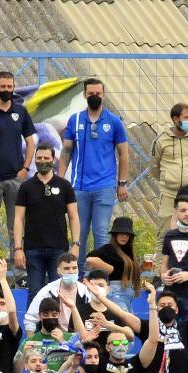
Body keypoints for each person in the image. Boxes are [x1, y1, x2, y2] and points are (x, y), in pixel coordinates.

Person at [58, 78, 129, 253]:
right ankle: (78, 275)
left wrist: (122, 183)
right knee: (79, 235)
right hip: (79, 187)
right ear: (84, 95)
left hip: (104, 187)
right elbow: (66, 151)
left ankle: (99, 276)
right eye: (91, 93)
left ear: (103, 95)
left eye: (98, 93)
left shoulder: (114, 122)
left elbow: (124, 154)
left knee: (101, 232)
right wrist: (59, 180)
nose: (94, 96)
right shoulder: (74, 120)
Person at [0, 71, 39, 251]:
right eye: (3, 87)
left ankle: (19, 274)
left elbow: (31, 142)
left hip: (15, 178)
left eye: (9, 87)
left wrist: (25, 168)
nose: (6, 90)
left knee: (17, 227)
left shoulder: (20, 111)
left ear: (13, 87)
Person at [12, 144, 79, 295]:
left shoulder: (65, 186)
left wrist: (75, 244)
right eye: (39, 158)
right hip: (33, 249)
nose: (42, 161)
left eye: (46, 158)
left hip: (59, 249)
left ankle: (59, 320)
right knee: (35, 291)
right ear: (34, 160)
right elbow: (18, 218)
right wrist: (18, 248)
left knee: (59, 292)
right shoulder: (26, 187)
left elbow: (74, 217)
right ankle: (33, 320)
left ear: (53, 159)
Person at [150, 103, 188, 220]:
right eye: (186, 118)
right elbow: (154, 167)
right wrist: (168, 179)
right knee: (165, 231)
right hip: (169, 194)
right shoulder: (161, 140)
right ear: (176, 119)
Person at [84, 217, 138, 311]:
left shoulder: (128, 251)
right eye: (121, 233)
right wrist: (111, 269)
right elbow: (90, 259)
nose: (124, 236)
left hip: (127, 294)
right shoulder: (109, 248)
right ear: (115, 235)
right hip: (115, 293)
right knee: (123, 323)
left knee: (129, 323)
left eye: (127, 234)